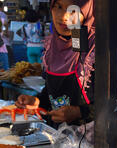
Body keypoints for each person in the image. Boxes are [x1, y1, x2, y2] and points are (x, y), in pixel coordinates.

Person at [15, 0, 95, 128]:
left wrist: (79, 112)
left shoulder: (98, 52)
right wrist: (36, 101)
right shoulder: (51, 49)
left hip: (90, 142)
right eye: (58, 7)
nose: (64, 17)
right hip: (56, 139)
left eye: (73, 10)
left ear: (86, 12)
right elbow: (51, 94)